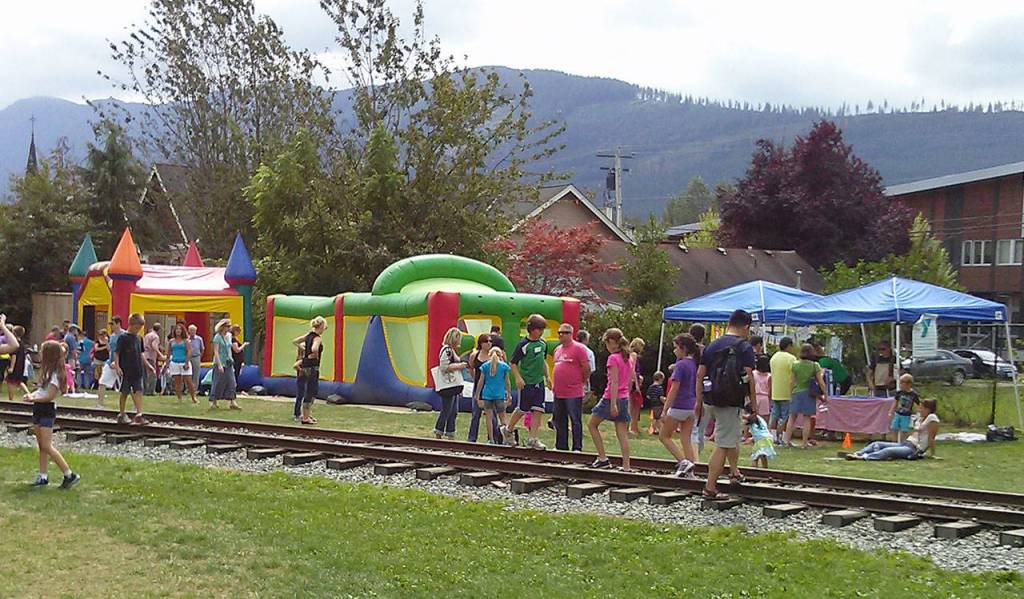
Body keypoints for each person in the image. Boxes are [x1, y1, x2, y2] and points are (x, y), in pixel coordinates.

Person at [698, 309, 756, 500]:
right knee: (723, 443)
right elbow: (749, 379)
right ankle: (710, 488)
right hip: (730, 401)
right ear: (746, 326)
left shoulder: (712, 345)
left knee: (731, 435)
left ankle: (734, 472)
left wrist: (699, 401)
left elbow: (700, 375)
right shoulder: (744, 347)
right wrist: (753, 404)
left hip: (710, 399)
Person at [22, 340, 80, 489]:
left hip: (47, 409)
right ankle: (43, 476)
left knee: (47, 446)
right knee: (41, 445)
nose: (40, 354)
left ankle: (69, 474)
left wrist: (33, 398)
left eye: (42, 352)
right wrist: (33, 395)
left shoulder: (56, 374)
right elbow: (42, 391)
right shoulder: (46, 371)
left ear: (48, 355)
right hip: (38, 407)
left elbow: (49, 396)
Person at [502, 314, 552, 450]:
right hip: (527, 382)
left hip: (538, 381)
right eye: (539, 329)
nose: (541, 332)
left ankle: (533, 438)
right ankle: (508, 429)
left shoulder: (543, 344)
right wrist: (518, 377)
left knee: (538, 409)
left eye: (542, 330)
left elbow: (543, 361)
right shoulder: (523, 345)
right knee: (523, 409)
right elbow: (512, 363)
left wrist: (547, 377)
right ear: (532, 329)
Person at [588, 328, 632, 470]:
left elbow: (614, 382)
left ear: (612, 342)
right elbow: (629, 379)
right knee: (622, 433)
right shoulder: (628, 357)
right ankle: (626, 465)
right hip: (624, 397)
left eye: (606, 343)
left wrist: (613, 404)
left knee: (592, 424)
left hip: (611, 397)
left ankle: (602, 457)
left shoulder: (613, 358)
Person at [659, 333, 701, 477]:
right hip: (691, 405)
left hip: (679, 405)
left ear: (683, 348)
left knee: (664, 436)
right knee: (685, 439)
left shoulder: (681, 365)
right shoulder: (694, 364)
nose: (674, 351)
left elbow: (674, 388)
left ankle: (683, 461)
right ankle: (690, 470)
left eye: (676, 348)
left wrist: (665, 409)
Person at [847, 399, 940, 460]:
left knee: (889, 451)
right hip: (907, 443)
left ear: (928, 409)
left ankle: (864, 457)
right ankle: (857, 453)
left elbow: (931, 438)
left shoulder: (932, 418)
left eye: (921, 408)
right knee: (876, 444)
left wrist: (932, 454)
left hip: (914, 449)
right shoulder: (920, 418)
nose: (919, 410)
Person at [552, 323, 591, 452]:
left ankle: (577, 447)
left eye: (564, 333)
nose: (560, 335)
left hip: (573, 391)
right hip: (559, 391)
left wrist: (582, 382)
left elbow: (586, 368)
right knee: (559, 419)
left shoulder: (579, 349)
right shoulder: (558, 350)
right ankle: (561, 446)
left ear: (570, 334)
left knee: (575, 419)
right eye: (559, 333)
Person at [784, 343, 829, 448]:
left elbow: (791, 381)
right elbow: (821, 382)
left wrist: (789, 394)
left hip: (796, 392)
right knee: (807, 418)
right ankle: (804, 442)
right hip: (809, 394)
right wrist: (825, 394)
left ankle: (786, 440)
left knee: (792, 417)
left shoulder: (795, 364)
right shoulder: (815, 365)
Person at [113, 313, 155, 425]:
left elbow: (141, 354)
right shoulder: (123, 338)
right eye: (137, 327)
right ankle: (121, 414)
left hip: (137, 369)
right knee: (125, 392)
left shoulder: (139, 338)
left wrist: (147, 365)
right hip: (126, 369)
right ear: (131, 325)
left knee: (139, 390)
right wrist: (117, 366)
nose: (138, 330)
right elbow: (117, 353)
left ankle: (139, 414)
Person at [433, 327, 467, 439]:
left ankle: (450, 433)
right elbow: (444, 367)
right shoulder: (447, 351)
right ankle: (439, 431)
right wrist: (460, 366)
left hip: (454, 385)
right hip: (448, 384)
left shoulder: (451, 350)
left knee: (453, 411)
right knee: (446, 410)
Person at [474, 347, 513, 444]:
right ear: (501, 355)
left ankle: (491, 439)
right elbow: (507, 382)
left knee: (489, 418)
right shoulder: (504, 366)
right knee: (503, 418)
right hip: (499, 395)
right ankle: (505, 438)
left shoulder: (485, 366)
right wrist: (509, 394)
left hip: (487, 394)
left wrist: (477, 395)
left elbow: (481, 381)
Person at [467, 333, 497, 443]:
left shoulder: (493, 356)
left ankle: (494, 437)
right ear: (481, 343)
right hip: (478, 386)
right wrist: (475, 378)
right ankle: (472, 438)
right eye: (486, 341)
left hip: (490, 387)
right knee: (476, 414)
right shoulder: (475, 355)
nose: (489, 343)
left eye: (490, 341)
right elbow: (471, 367)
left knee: (492, 414)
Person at [769, 337, 797, 444]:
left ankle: (772, 437)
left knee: (775, 415)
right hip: (787, 391)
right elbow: (794, 375)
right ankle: (783, 438)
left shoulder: (774, 357)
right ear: (788, 346)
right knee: (786, 416)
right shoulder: (791, 358)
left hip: (775, 391)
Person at [210, 319, 241, 410]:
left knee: (231, 381)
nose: (229, 328)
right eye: (227, 326)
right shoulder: (217, 337)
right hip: (219, 362)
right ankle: (214, 401)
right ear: (222, 326)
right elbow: (216, 351)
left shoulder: (229, 336)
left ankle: (232, 401)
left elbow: (231, 347)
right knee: (218, 382)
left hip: (229, 362)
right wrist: (219, 364)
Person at [97, 317, 124, 408]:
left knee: (127, 385)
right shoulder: (112, 336)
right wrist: (106, 343)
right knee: (102, 381)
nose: (111, 326)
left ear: (118, 324)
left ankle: (135, 406)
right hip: (110, 363)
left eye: (112, 324)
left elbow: (123, 351)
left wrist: (117, 363)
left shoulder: (123, 335)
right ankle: (99, 404)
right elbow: (111, 350)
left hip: (120, 363)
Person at [167, 323, 197, 404]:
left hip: (184, 362)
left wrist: (187, 362)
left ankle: (193, 397)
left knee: (188, 381)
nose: (178, 331)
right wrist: (167, 364)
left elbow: (189, 351)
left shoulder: (186, 341)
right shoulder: (171, 341)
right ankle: (179, 398)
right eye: (177, 329)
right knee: (177, 382)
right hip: (175, 362)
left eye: (180, 329)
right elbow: (169, 352)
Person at [889, 373, 920, 443]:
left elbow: (919, 404)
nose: (900, 385)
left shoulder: (913, 394)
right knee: (894, 428)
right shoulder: (899, 393)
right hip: (898, 413)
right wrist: (891, 411)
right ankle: (894, 442)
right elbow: (895, 402)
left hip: (906, 416)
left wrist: (918, 414)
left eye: (901, 383)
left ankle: (903, 443)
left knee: (904, 430)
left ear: (908, 384)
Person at [5, 325, 30, 401]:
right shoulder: (22, 344)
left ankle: (11, 399)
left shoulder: (15, 344)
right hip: (20, 365)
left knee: (10, 381)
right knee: (19, 381)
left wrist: (11, 367)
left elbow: (14, 355)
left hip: (14, 365)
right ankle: (28, 393)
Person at [627, 337, 645, 436]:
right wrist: (636, 384)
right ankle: (632, 427)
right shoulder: (633, 355)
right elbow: (632, 369)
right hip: (633, 381)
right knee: (634, 405)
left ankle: (633, 427)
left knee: (634, 405)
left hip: (635, 379)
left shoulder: (631, 355)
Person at [143, 323, 165, 396]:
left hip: (144, 356)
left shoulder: (147, 335)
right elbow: (154, 346)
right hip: (150, 356)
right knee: (152, 374)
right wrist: (160, 354)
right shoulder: (155, 336)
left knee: (145, 375)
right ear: (159, 329)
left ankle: (144, 390)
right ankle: (151, 391)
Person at [91, 329, 110, 404]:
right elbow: (96, 349)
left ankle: (104, 386)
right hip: (98, 359)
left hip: (105, 359)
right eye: (101, 334)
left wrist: (107, 344)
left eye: (103, 334)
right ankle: (96, 384)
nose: (102, 336)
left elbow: (109, 349)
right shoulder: (97, 341)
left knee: (103, 373)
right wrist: (104, 347)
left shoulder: (107, 341)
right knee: (97, 372)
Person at [186, 324, 205, 394]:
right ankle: (188, 389)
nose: (192, 332)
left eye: (194, 330)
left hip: (196, 357)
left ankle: (194, 389)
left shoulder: (199, 339)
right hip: (188, 357)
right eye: (191, 330)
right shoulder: (186, 339)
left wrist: (200, 356)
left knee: (196, 374)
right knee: (188, 373)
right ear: (188, 331)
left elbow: (202, 348)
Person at [753, 354, 772, 421]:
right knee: (764, 421)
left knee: (752, 420)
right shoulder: (769, 376)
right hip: (765, 399)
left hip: (754, 397)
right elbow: (770, 391)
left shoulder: (753, 374)